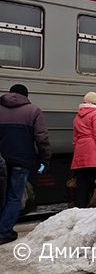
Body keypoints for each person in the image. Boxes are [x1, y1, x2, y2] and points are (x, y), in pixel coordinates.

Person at [0, 84, 50, 245]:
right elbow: (42, 138)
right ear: (26, 96)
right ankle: (3, 232)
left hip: (1, 158)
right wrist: (44, 159)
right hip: (21, 161)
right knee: (15, 197)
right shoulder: (33, 111)